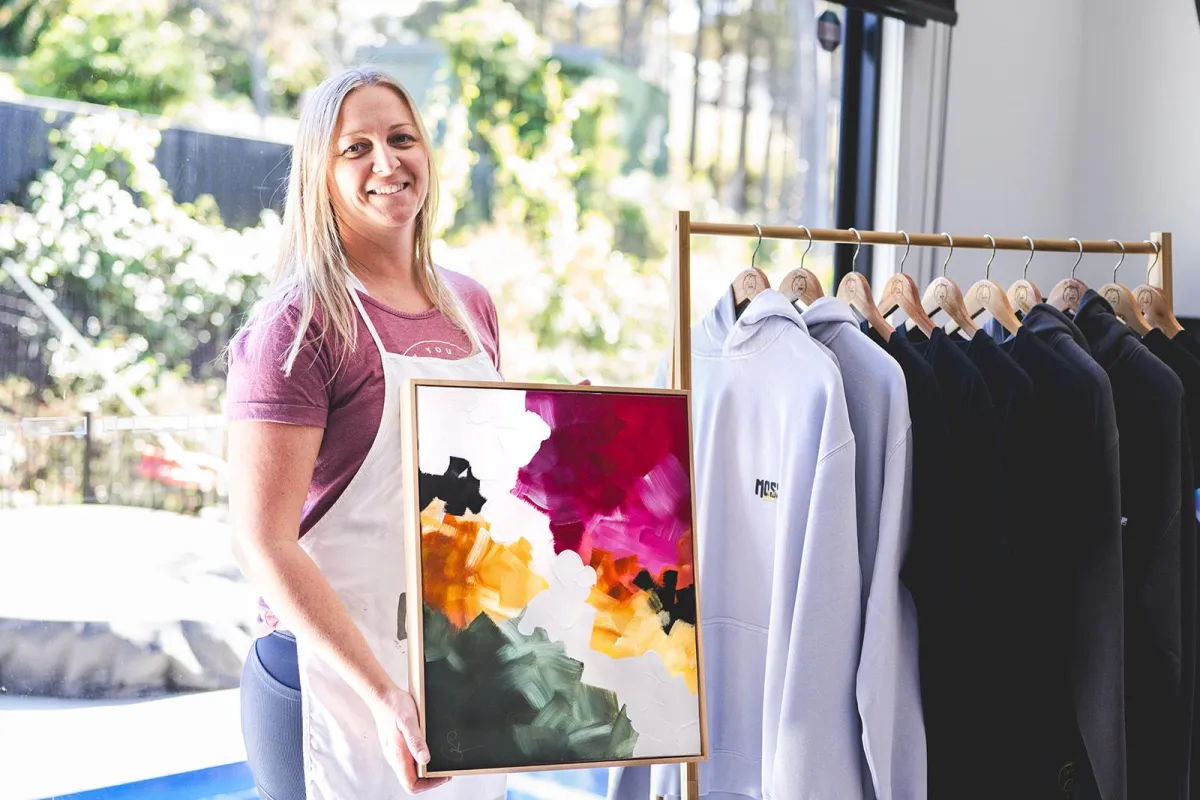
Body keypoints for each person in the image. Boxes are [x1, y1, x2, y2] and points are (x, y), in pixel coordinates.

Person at [225, 66, 508, 800]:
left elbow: (483, 499)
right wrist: (382, 694)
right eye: (356, 148)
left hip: (454, 680)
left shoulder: (471, 306)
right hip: (331, 685)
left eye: (402, 138)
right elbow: (262, 542)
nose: (387, 162)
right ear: (319, 174)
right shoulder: (297, 326)